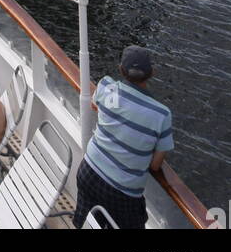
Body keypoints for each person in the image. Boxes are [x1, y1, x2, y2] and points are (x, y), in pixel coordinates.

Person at [73, 46, 173, 230]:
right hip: (123, 193)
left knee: (86, 224)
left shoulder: (106, 87)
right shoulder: (161, 114)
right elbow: (155, 165)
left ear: (121, 70)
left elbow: (99, 103)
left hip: (89, 172)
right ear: (152, 73)